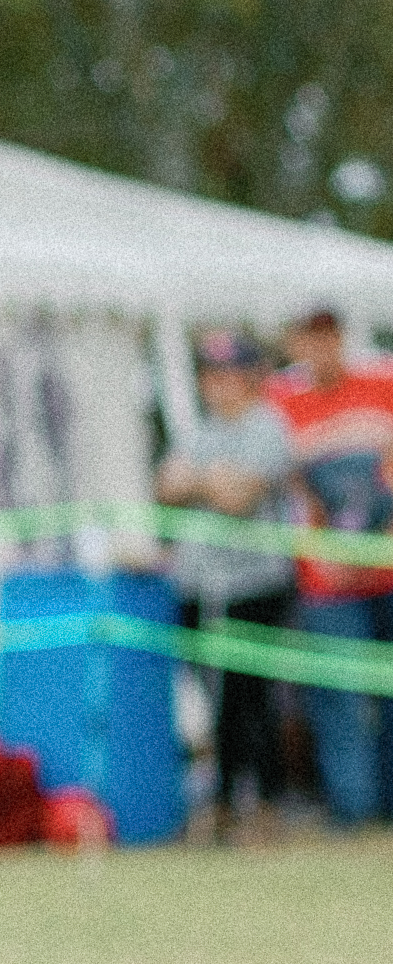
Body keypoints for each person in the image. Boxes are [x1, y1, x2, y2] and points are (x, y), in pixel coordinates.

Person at [157, 326, 299, 833]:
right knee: (213, 700)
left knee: (250, 697)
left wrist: (203, 481)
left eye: (228, 372)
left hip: (255, 584)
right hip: (201, 583)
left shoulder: (268, 425)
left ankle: (264, 801)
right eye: (211, 372)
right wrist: (212, 480)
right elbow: (168, 485)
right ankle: (222, 802)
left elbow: (240, 498)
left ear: (249, 376)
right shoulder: (201, 429)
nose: (218, 382)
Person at [272, 306, 393, 827]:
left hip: (386, 567)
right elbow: (291, 490)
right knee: (337, 695)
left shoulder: (380, 384)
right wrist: (327, 552)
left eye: (328, 337)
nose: (320, 348)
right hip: (326, 579)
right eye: (309, 338)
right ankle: (353, 811)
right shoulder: (280, 401)